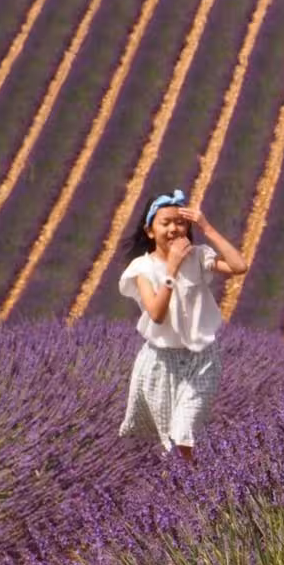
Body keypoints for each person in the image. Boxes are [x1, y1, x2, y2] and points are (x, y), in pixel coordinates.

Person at [118, 188, 248, 460]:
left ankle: (188, 492)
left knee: (183, 431)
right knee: (170, 443)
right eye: (166, 223)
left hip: (202, 361)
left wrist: (207, 227)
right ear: (150, 231)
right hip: (160, 364)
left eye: (181, 222)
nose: (175, 229)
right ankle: (183, 491)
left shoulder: (199, 256)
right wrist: (172, 270)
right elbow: (156, 314)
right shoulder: (141, 269)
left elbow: (239, 266)